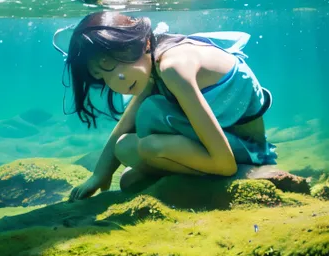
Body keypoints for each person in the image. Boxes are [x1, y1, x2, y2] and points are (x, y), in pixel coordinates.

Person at [53, 11, 276, 201]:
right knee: (126, 156)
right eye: (100, 76)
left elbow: (225, 163)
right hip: (226, 142)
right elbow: (126, 124)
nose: (114, 83)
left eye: (109, 65)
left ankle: (210, 176)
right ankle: (181, 172)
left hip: (248, 153)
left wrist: (156, 158)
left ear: (143, 42)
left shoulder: (173, 67)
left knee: (149, 129)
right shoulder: (153, 60)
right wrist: (100, 175)